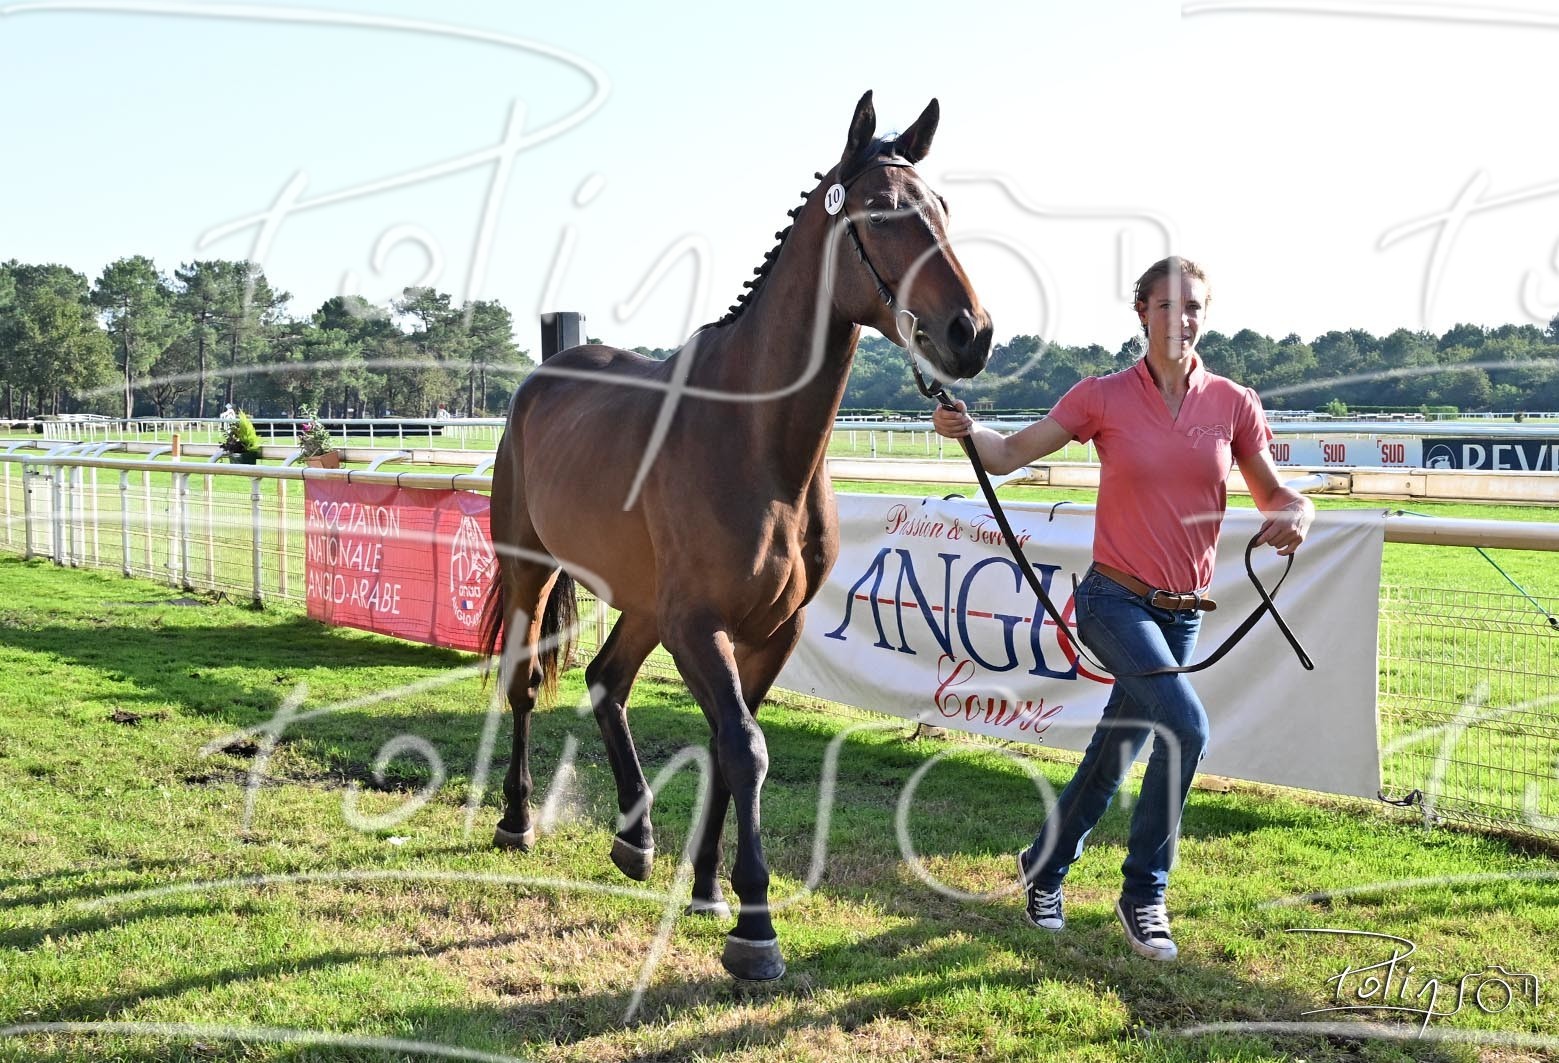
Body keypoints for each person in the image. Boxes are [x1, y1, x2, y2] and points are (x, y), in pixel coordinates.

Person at [932, 257, 1313, 962]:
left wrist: (1300, 512)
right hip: (1112, 600)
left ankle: (1043, 864)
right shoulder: (1101, 396)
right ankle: (1144, 893)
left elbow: (1276, 495)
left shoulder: (1233, 403)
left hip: (1183, 613)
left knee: (1116, 751)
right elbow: (1008, 455)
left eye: (1193, 307)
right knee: (1185, 728)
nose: (1181, 319)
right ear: (1141, 312)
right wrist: (964, 429)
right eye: (1167, 306)